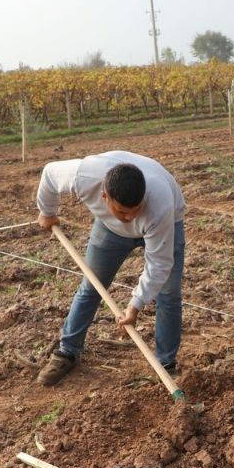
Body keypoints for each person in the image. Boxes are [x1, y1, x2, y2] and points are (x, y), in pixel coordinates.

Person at [34, 151, 186, 386]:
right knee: (92, 285)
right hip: (110, 230)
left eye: (136, 209)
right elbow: (50, 173)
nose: (131, 217)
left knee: (168, 294)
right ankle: (67, 352)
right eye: (123, 211)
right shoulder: (84, 176)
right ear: (104, 196)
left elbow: (160, 263)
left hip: (165, 225)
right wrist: (47, 212)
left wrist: (135, 304)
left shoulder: (160, 204)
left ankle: (165, 365)